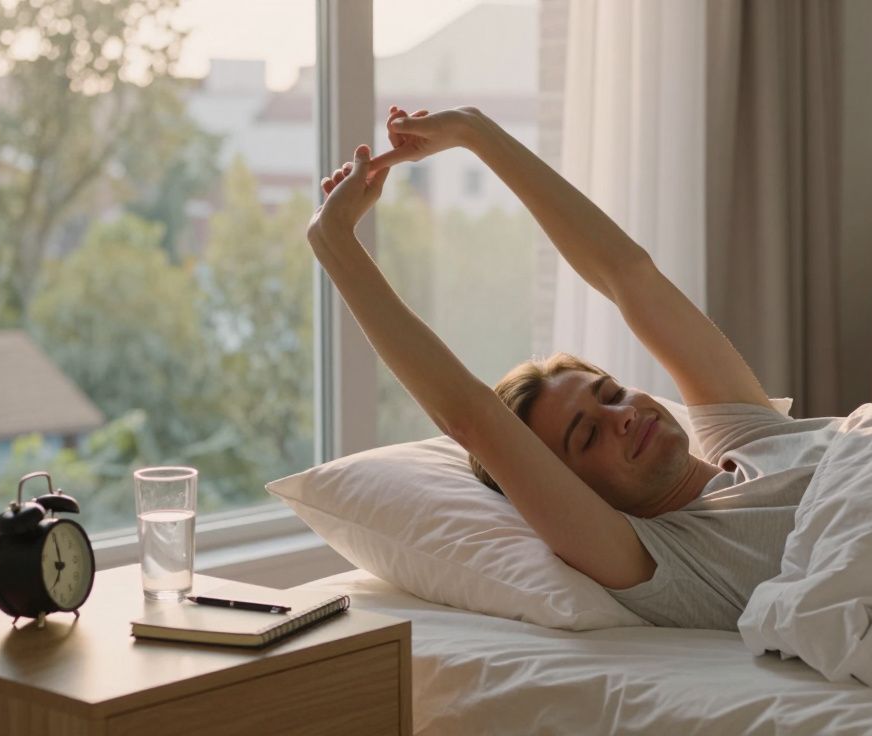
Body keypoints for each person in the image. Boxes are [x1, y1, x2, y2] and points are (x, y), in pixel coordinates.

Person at [309, 105, 831, 629]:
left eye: (610, 393)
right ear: (574, 490)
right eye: (587, 436)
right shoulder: (665, 560)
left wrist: (474, 131)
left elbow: (629, 275)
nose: (622, 415)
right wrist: (335, 245)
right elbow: (471, 418)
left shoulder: (749, 437)